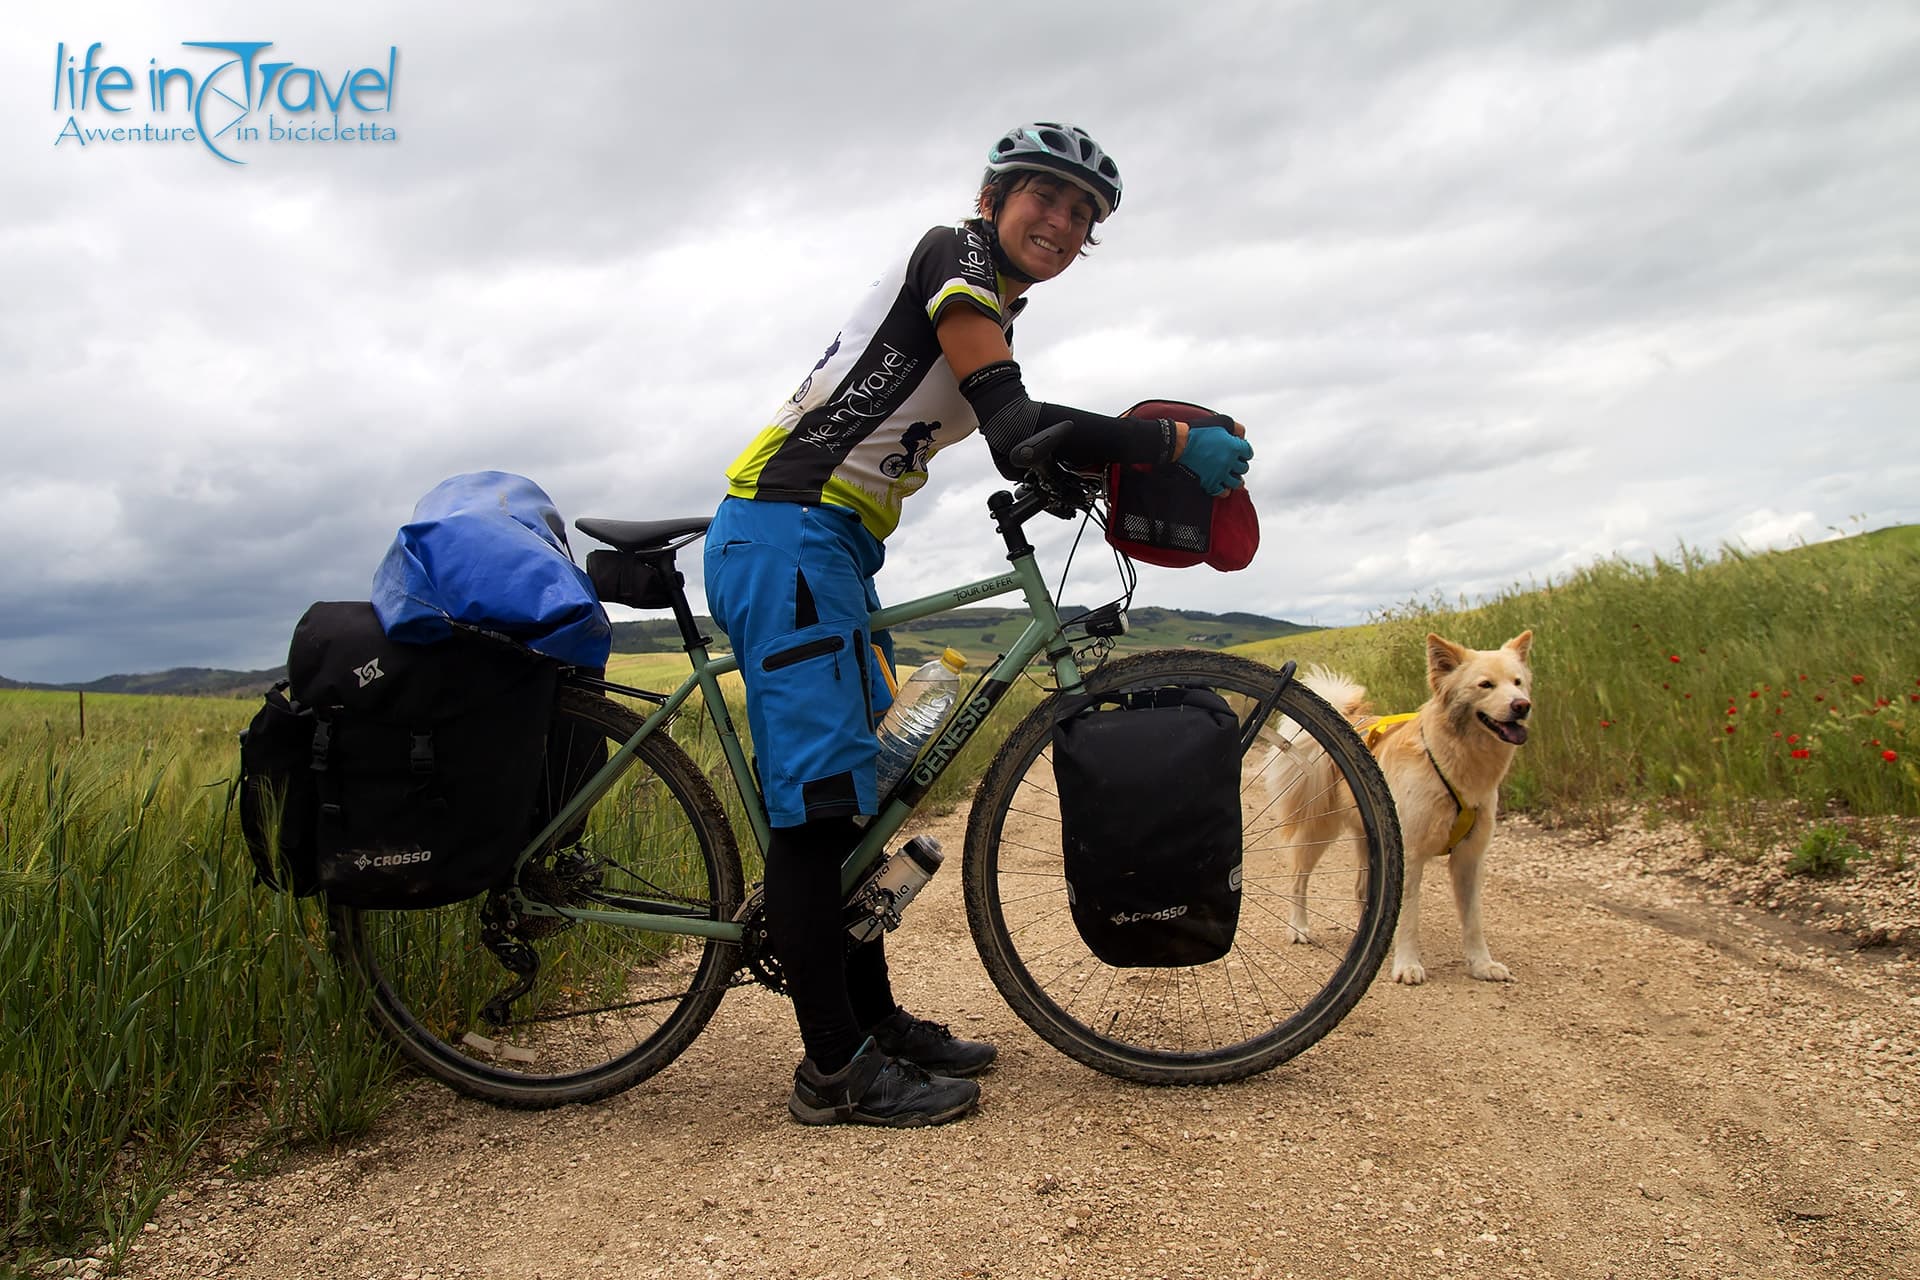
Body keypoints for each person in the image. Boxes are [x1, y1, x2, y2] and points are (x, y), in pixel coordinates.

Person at [703, 122, 1253, 1127]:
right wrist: (1171, 439)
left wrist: (1085, 471)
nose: (1063, 220)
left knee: (857, 804)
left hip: (833, 548)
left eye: (1083, 214)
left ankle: (872, 1024)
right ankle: (833, 1069)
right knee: (819, 813)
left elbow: (1020, 444)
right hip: (785, 532)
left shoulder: (994, 304)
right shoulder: (951, 256)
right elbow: (1014, 422)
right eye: (1046, 195)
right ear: (994, 196)